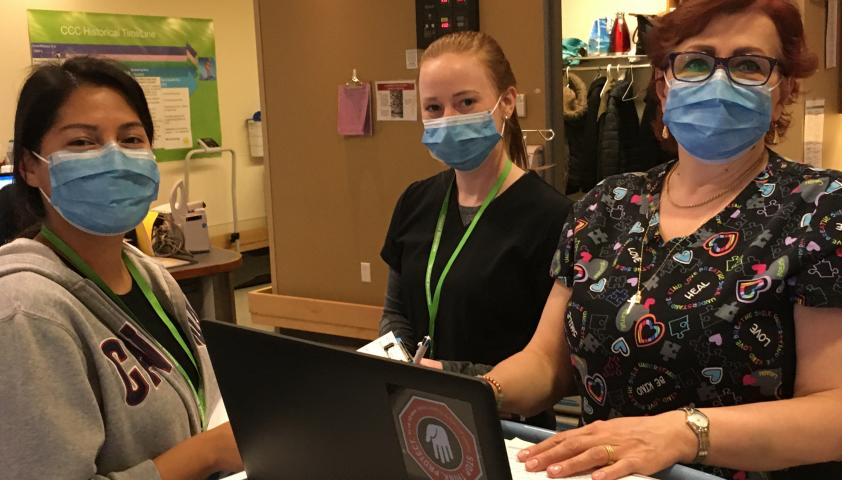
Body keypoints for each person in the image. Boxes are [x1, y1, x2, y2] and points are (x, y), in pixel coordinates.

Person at [483, 1, 842, 479]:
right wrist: (479, 390)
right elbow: (548, 363)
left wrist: (682, 433)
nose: (719, 81)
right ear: (662, 84)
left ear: (783, 91)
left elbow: (832, 411)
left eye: (749, 65)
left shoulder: (819, 208)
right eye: (695, 61)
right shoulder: (606, 204)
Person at [0, 57, 242, 479]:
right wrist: (207, 455)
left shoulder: (151, 278)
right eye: (81, 143)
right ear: (29, 166)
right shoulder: (25, 313)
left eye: (131, 139)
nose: (114, 158)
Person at [379, 31, 572, 416]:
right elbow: (395, 309)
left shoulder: (553, 217)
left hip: (506, 422)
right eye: (433, 108)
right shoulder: (416, 201)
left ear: (507, 103)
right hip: (414, 407)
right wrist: (399, 362)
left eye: (466, 102)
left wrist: (452, 377)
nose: (449, 119)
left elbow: (552, 364)